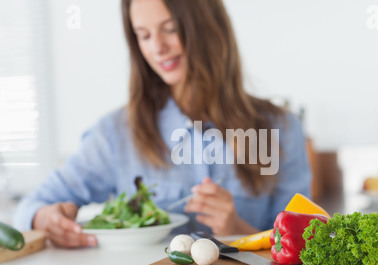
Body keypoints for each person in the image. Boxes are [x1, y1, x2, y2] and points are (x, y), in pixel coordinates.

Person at [13, 0, 311, 248]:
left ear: (209, 28)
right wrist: (45, 218)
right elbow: (33, 205)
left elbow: (303, 242)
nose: (157, 47)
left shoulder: (280, 128)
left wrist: (237, 230)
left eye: (170, 29)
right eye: (143, 35)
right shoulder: (116, 133)